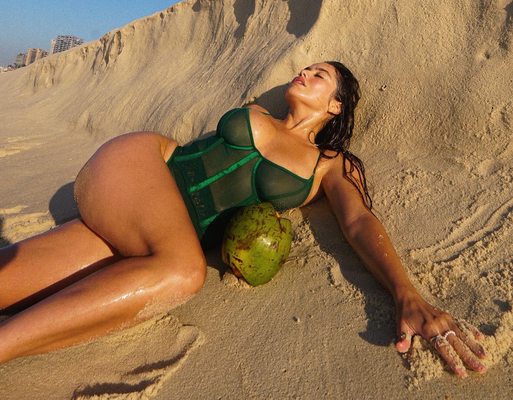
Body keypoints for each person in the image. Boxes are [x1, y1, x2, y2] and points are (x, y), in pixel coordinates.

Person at [0, 61, 488, 376]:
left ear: (335, 105)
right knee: (183, 272)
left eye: (319, 75)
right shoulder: (258, 113)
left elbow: (359, 222)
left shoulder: (329, 165)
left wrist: (406, 294)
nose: (304, 72)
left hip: (145, 234)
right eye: (306, 67)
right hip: (138, 169)